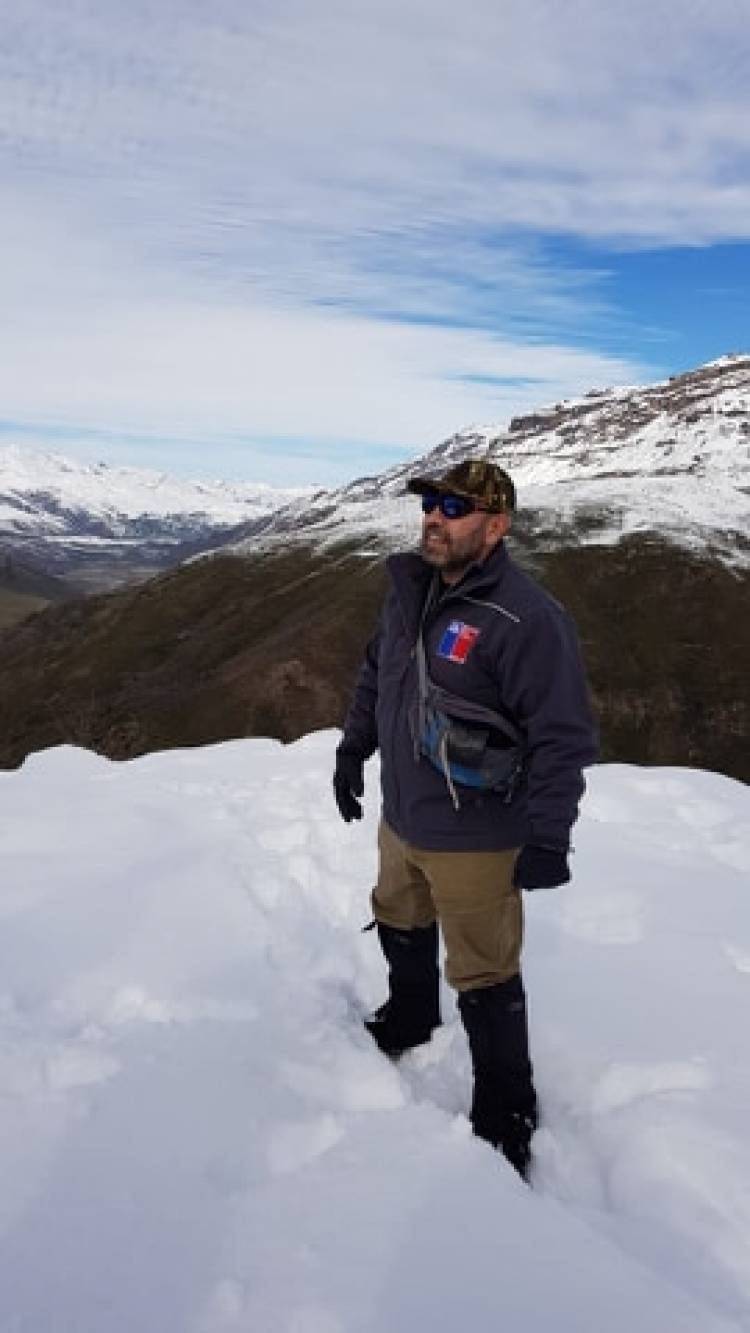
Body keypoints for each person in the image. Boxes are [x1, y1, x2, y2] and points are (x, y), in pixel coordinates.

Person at [333, 459, 598, 1178]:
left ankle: (507, 1106)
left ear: (496, 524)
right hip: (405, 813)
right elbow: (375, 672)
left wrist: (549, 834)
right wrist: (354, 746)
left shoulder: (526, 618)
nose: (434, 516)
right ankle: (411, 1013)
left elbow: (563, 736)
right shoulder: (408, 591)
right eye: (430, 502)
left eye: (454, 506)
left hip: (479, 835)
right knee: (397, 913)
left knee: (483, 970)